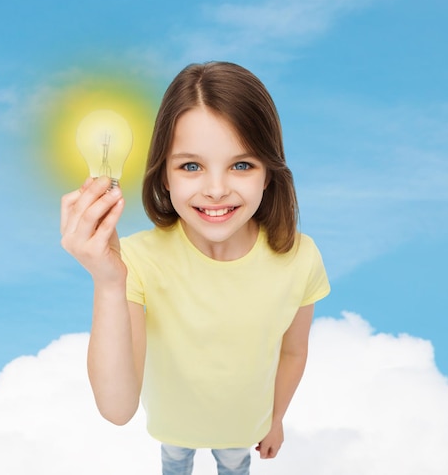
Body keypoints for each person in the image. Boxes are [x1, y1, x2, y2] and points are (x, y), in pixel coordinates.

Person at [60, 61, 330, 475]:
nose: (217, 189)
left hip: (245, 429)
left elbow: (293, 350)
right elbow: (117, 409)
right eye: (191, 166)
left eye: (242, 165)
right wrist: (109, 283)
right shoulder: (136, 262)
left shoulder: (301, 257)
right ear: (164, 175)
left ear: (269, 174)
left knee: (234, 462)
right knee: (175, 459)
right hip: (172, 427)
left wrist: (275, 420)